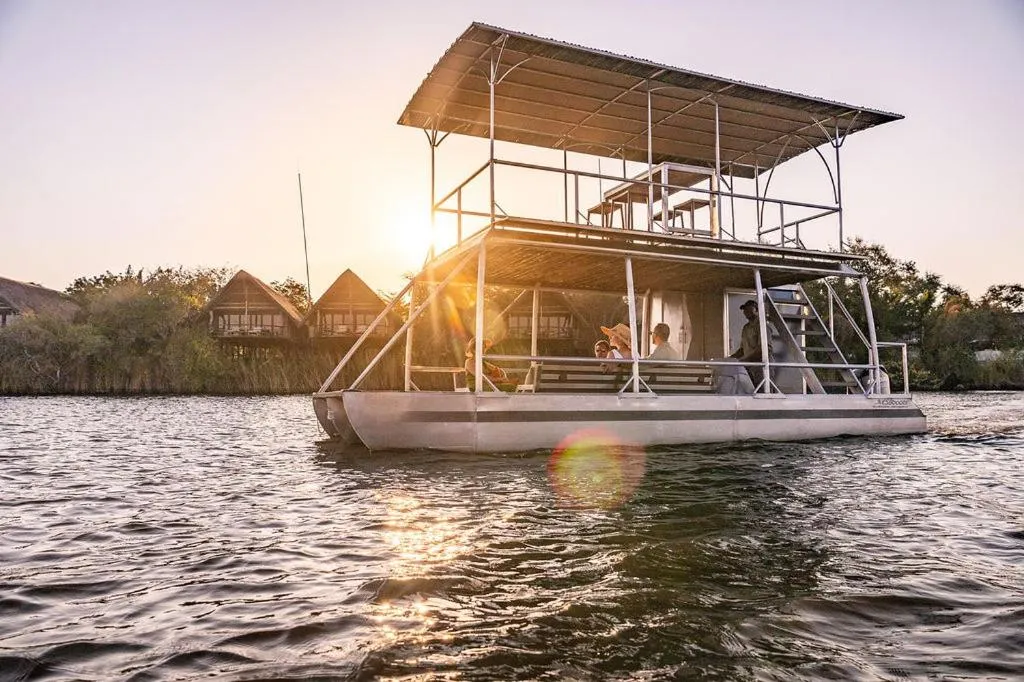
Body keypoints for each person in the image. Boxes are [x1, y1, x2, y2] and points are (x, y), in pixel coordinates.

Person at [729, 299, 773, 390]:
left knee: (763, 394)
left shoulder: (763, 326)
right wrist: (730, 359)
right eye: (744, 309)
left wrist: (744, 360)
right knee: (749, 395)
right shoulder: (746, 328)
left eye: (749, 308)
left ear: (756, 309)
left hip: (761, 368)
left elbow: (764, 349)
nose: (745, 311)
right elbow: (742, 349)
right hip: (748, 369)